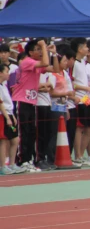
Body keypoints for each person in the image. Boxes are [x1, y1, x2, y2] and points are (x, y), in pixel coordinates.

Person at [12, 38, 58, 172]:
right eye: (37, 49)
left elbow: (54, 68)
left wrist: (54, 54)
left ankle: (28, 160)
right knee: (24, 132)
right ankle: (22, 161)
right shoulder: (27, 62)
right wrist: (43, 45)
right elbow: (44, 62)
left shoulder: (35, 65)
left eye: (40, 49)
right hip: (21, 101)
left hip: (31, 101)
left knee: (31, 132)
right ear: (31, 52)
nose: (40, 52)